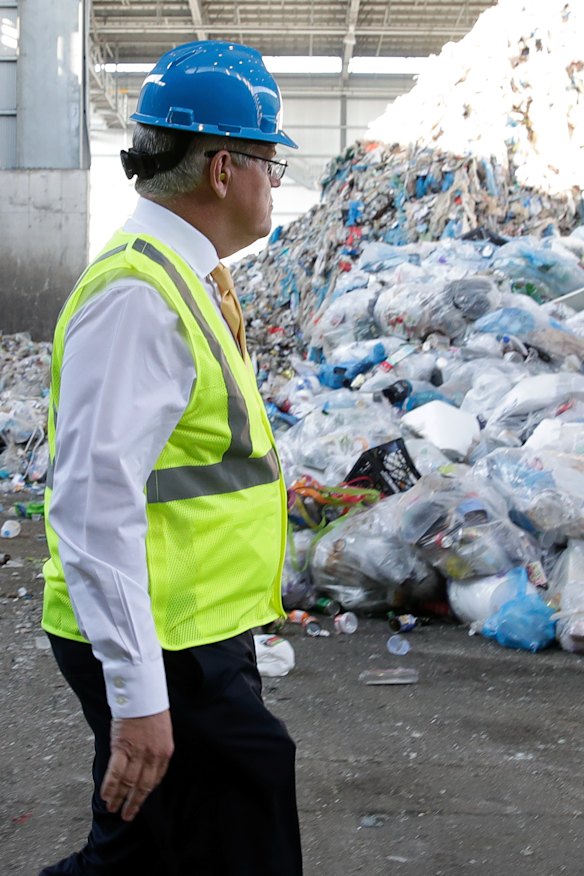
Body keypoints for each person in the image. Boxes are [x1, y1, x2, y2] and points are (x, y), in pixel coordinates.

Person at [39, 40, 302, 876]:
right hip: (166, 639)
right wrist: (140, 695)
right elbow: (91, 505)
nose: (274, 183)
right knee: (243, 837)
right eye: (270, 162)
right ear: (222, 169)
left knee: (142, 859)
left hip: (192, 627)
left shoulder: (184, 276)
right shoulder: (138, 297)